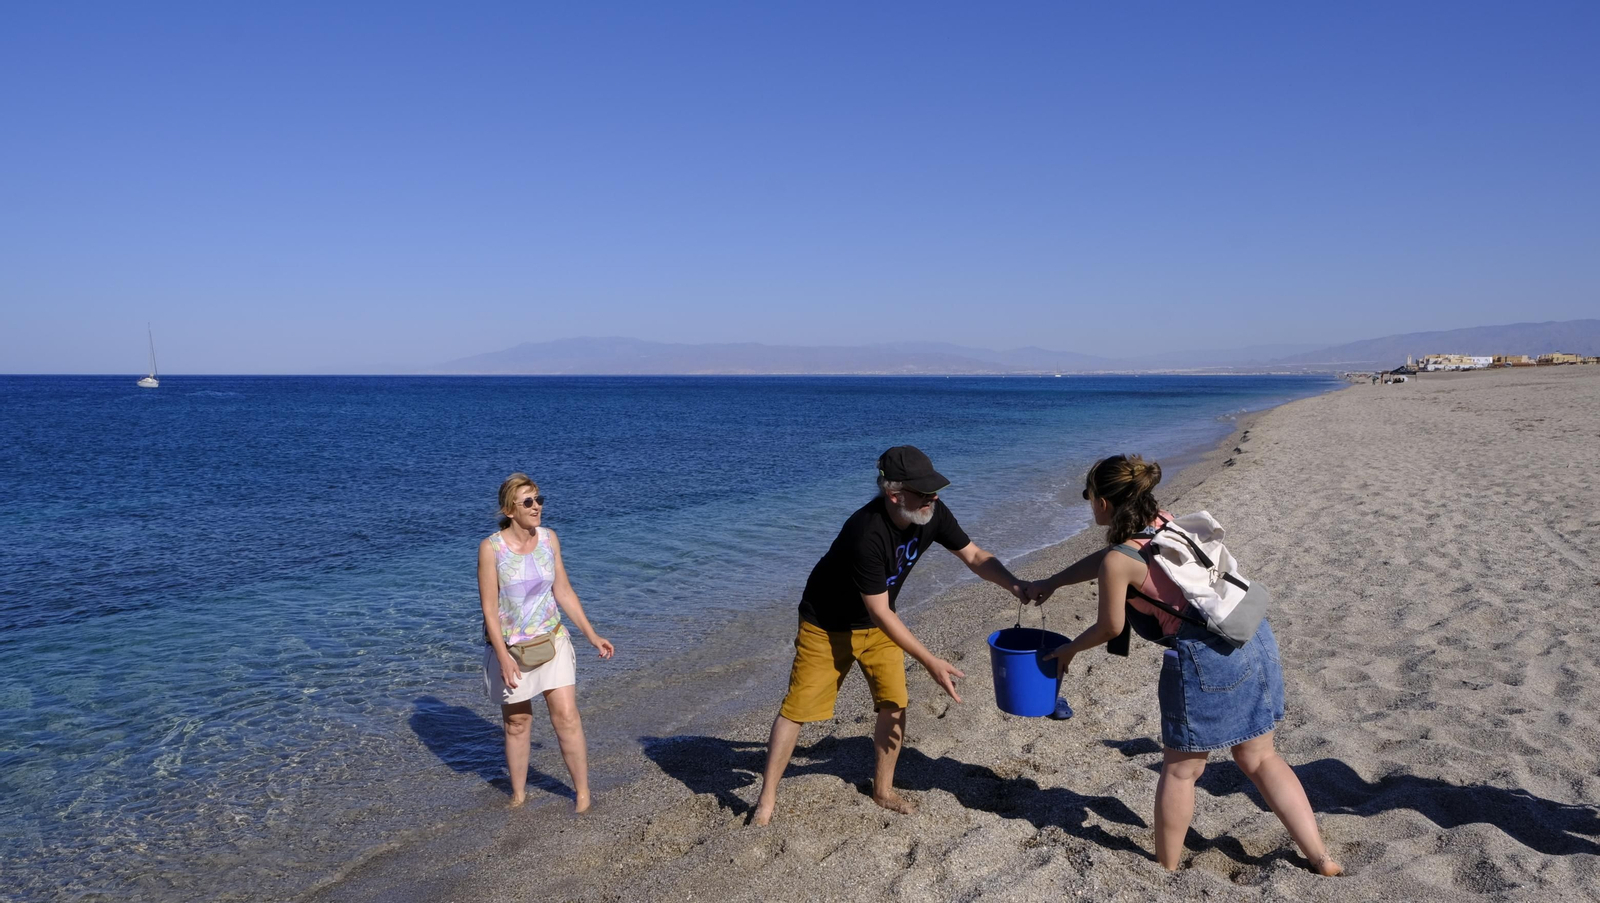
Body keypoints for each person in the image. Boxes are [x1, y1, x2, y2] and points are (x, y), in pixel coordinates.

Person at [1028, 454, 1341, 875]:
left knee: (1181, 770)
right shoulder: (1163, 521)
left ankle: (1167, 869)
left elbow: (1109, 626)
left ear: (1102, 502)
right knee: (1262, 758)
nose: (1088, 504)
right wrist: (1054, 581)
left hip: (1205, 656)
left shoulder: (1118, 559)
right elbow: (1114, 562)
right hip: (1251, 634)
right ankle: (1320, 857)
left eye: (1088, 496)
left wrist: (1066, 652)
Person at [751, 446, 1037, 826]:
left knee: (894, 703)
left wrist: (1015, 585)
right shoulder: (865, 532)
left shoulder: (931, 512)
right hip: (827, 625)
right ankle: (767, 798)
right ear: (894, 493)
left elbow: (974, 556)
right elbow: (881, 611)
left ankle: (882, 789)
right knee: (798, 710)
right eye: (923, 492)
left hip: (879, 626)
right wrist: (930, 660)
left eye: (934, 490)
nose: (932, 499)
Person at [478, 473, 615, 810]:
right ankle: (519, 796)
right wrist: (503, 656)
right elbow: (489, 611)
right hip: (511, 649)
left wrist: (591, 634)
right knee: (517, 722)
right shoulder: (491, 549)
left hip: (552, 640)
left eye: (539, 499)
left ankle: (582, 795)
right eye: (528, 502)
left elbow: (563, 591)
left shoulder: (549, 539)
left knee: (567, 716)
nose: (537, 506)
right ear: (510, 509)